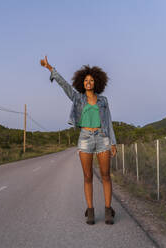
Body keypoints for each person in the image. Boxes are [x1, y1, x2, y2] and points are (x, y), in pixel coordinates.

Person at [40, 55, 117, 225]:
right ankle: (90, 211)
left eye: (91, 80)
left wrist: (113, 142)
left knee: (105, 175)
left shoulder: (103, 101)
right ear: (82, 82)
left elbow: (109, 121)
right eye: (86, 80)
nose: (88, 82)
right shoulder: (78, 98)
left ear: (96, 82)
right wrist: (50, 68)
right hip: (85, 138)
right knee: (88, 176)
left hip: (102, 137)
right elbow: (64, 85)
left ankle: (108, 210)